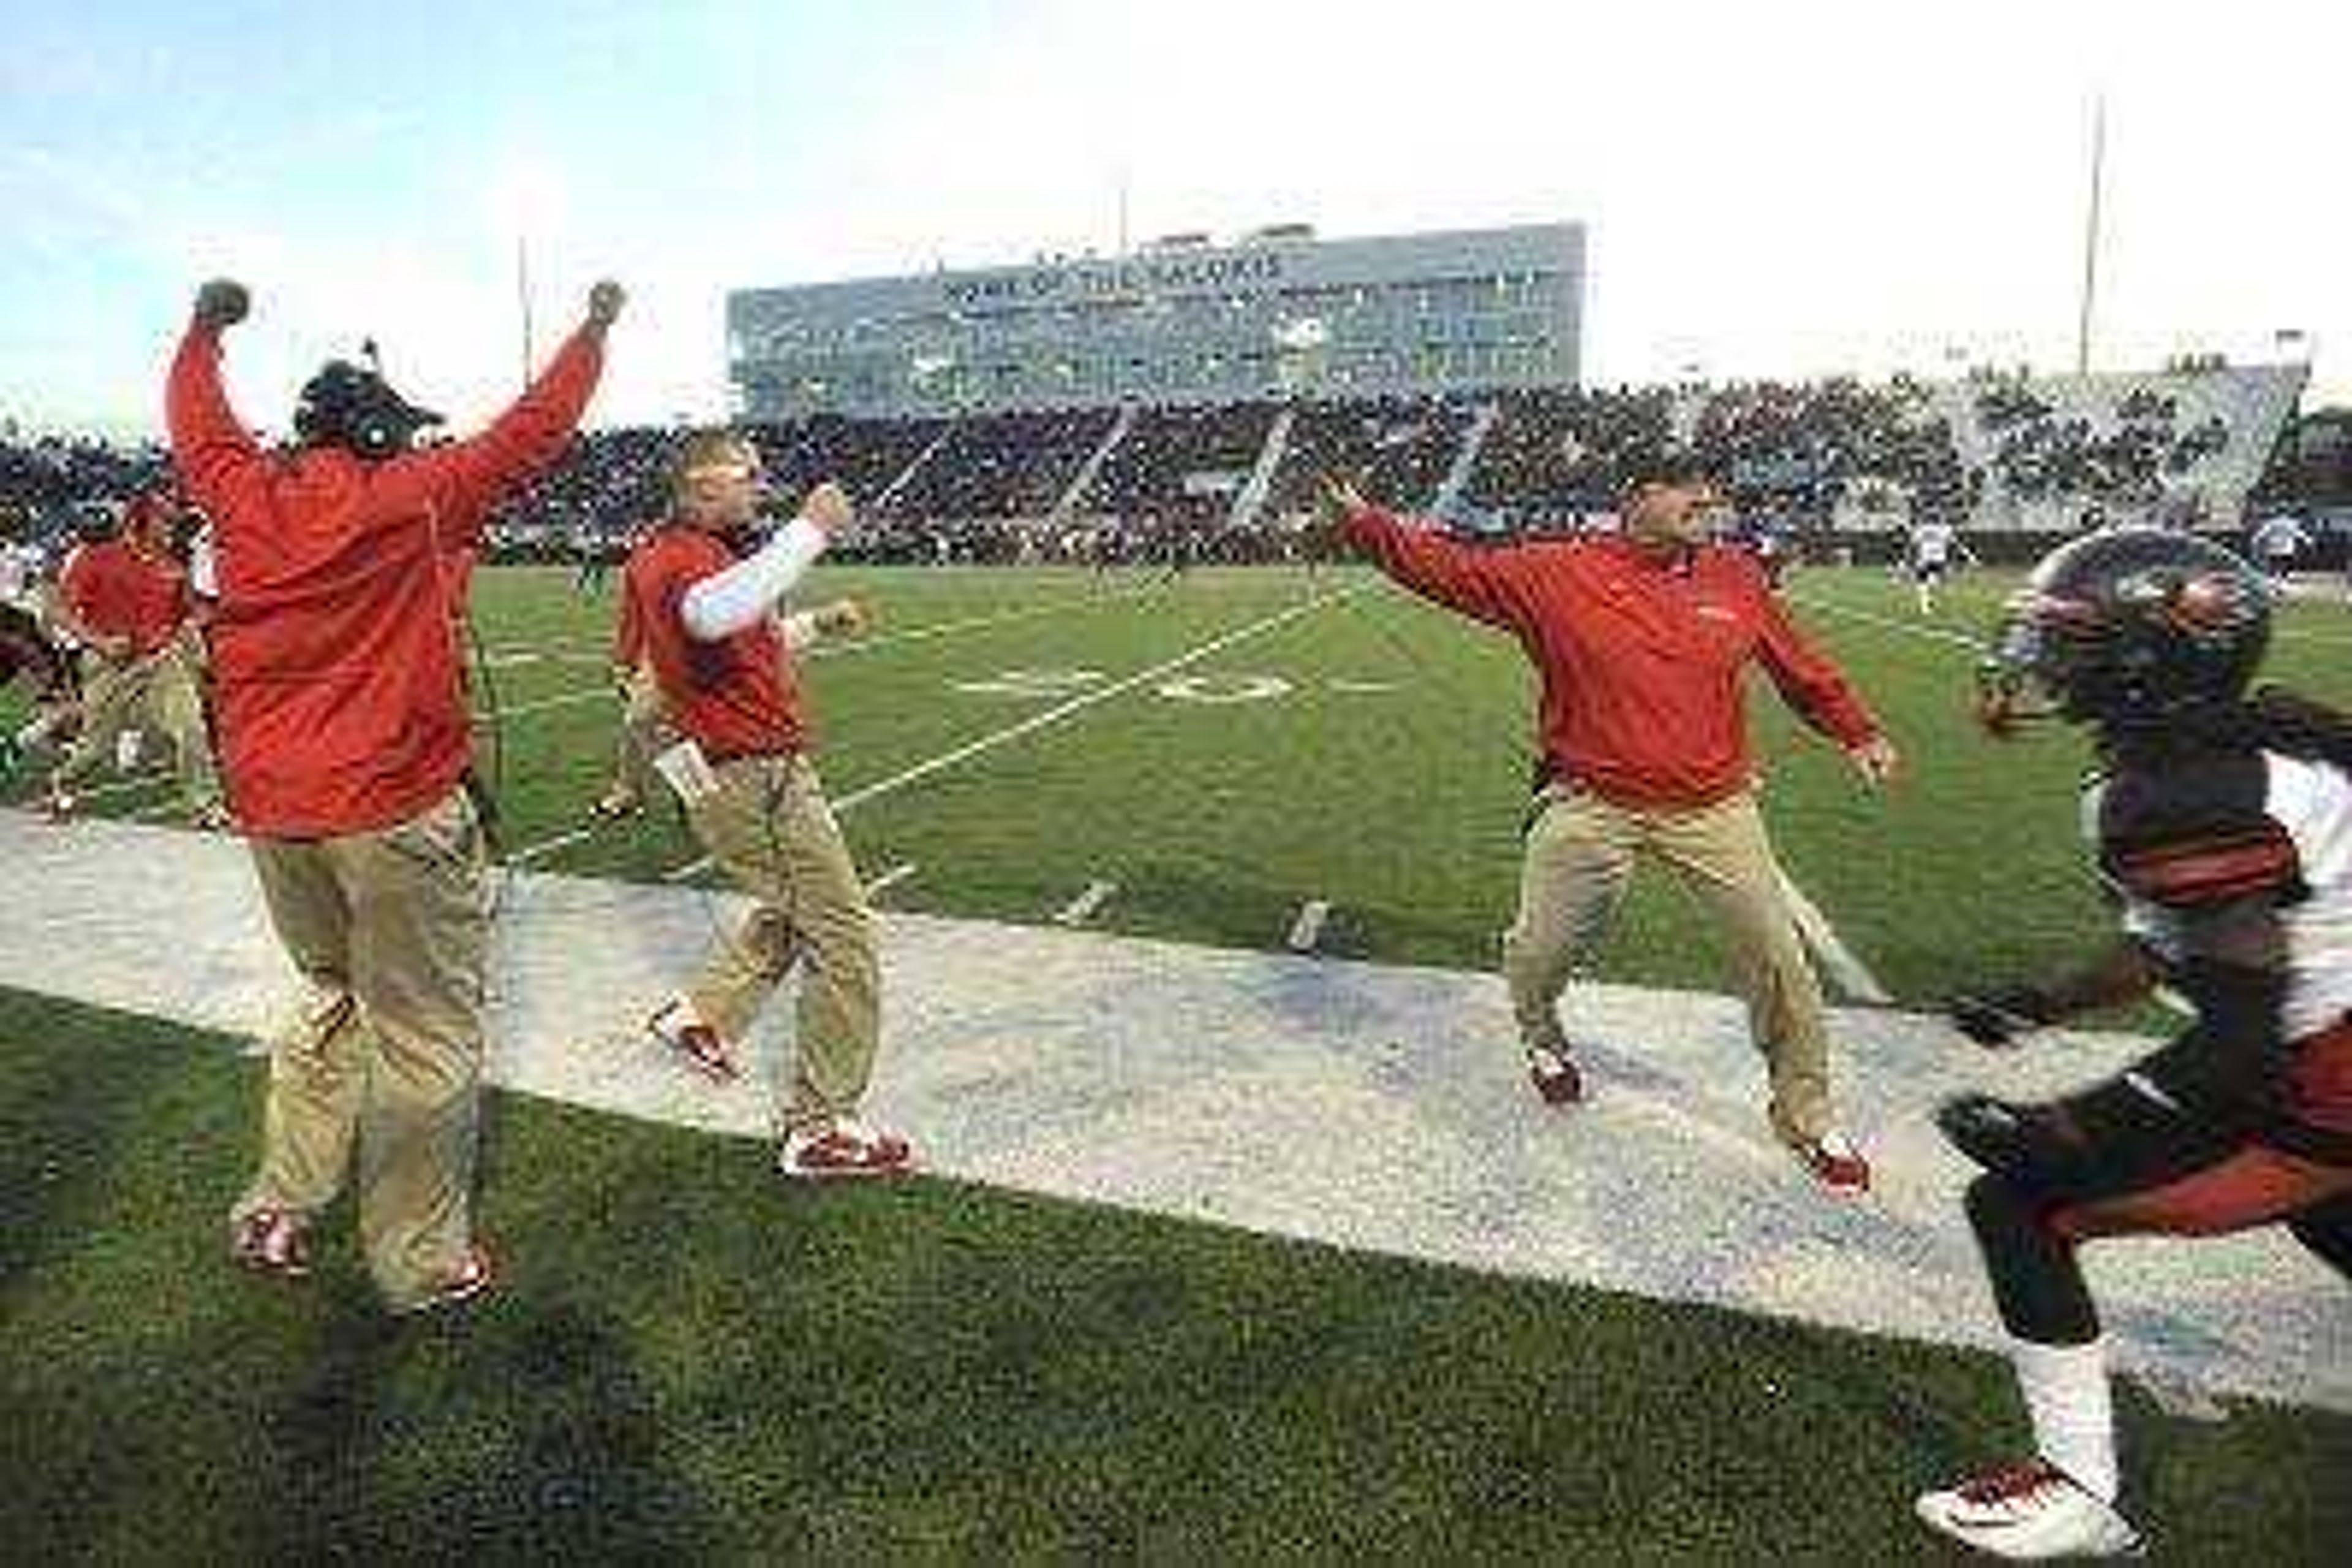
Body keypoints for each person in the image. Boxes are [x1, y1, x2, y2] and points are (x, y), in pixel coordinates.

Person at [168, 273, 621, 1312]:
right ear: (377, 438)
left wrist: (205, 332)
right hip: (391, 805)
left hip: (276, 811)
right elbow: (534, 428)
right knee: (423, 1035)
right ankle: (418, 1260)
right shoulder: (412, 494)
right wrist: (593, 331)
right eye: (404, 433)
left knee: (329, 998)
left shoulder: (242, 494)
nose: (417, 443)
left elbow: (197, 421)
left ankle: (283, 1201)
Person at [1918, 526, 2352, 1559]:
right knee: (2332, 1222)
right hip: (2330, 1043)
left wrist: (2058, 1127)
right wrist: (2039, 1002)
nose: (2040, 657)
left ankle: (2076, 1489)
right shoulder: (2236, 751)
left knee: (2022, 1204)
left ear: (2150, 654)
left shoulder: (2181, 795)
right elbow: (2166, 942)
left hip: (2331, 1076)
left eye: (2071, 637)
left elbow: (2237, 1055)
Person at [1321, 452, 1901, 1194]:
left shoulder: (1736, 577)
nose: (1707, 500)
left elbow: (1800, 665)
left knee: (1781, 964)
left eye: (1714, 491)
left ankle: (1807, 1113)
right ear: (1636, 496)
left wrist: (1856, 728)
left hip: (1713, 808)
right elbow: (1449, 570)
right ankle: (1543, 1037)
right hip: (1590, 801)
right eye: (1687, 488)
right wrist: (1369, 526)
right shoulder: (1555, 572)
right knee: (1539, 951)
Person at [627, 431, 910, 1179]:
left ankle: (702, 1015)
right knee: (843, 935)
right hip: (754, 776)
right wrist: (811, 527)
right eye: (745, 476)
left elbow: (743, 636)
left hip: (740, 770)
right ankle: (819, 1126)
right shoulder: (685, 557)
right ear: (700, 486)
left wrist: (817, 624)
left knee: (792, 911)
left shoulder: (695, 555)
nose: (759, 487)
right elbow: (714, 616)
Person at [41, 491, 222, 826]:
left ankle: (206, 808)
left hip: (160, 660)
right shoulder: (97, 557)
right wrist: (98, 641)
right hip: (109, 664)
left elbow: (191, 611)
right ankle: (63, 782)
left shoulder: (173, 565)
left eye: (172, 519)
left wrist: (200, 621)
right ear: (139, 520)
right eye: (163, 518)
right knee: (95, 750)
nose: (171, 526)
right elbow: (57, 609)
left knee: (191, 729)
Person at [1905, 514, 1963, 617]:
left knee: (1923, 583)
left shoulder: (1922, 529)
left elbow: (1913, 545)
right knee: (1929, 582)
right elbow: (1956, 544)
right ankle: (1926, 604)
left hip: (1927, 559)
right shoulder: (1945, 529)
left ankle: (1926, 604)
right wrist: (1969, 555)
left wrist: (1907, 558)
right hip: (1938, 560)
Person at [2247, 509, 2310, 592]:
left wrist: (2255, 542)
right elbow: (2298, 534)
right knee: (2284, 567)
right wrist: (2308, 541)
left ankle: (2273, 585)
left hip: (2273, 549)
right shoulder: (2291, 523)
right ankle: (2281, 584)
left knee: (2273, 568)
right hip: (2286, 550)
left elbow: (2262, 534)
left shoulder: (2271, 523)